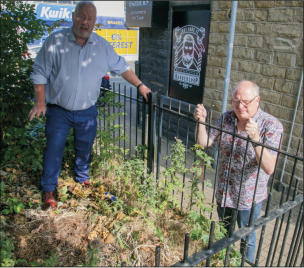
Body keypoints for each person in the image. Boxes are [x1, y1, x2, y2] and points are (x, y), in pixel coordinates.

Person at [28, 1, 151, 210]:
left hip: (87, 111)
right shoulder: (55, 41)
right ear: (73, 16)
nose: (85, 22)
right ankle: (49, 188)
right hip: (59, 111)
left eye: (89, 18)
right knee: (53, 149)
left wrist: (140, 85)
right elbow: (39, 72)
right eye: (81, 16)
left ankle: (83, 180)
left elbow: (122, 68)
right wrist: (40, 102)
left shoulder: (102, 47)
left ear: (95, 22)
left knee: (85, 149)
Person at [193, 80, 283, 263]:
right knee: (223, 233)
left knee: (247, 238)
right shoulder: (226, 117)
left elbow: (269, 167)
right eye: (236, 101)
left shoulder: (271, 125)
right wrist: (201, 121)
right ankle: (224, 262)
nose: (240, 106)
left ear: (257, 100)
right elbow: (203, 143)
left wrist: (256, 139)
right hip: (224, 192)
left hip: (249, 198)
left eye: (246, 102)